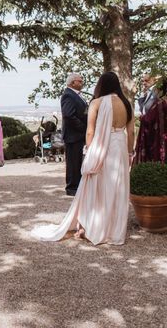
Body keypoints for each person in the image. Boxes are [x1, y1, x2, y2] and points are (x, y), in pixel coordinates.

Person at [32, 72, 135, 245]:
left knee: (98, 184)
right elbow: (131, 131)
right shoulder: (127, 104)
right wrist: (130, 151)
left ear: (101, 85)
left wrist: (89, 150)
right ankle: (114, 230)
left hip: (102, 146)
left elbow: (90, 131)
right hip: (120, 146)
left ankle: (94, 226)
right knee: (117, 185)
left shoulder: (97, 102)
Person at [61, 73, 89, 196]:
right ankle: (72, 188)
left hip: (78, 135)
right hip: (73, 135)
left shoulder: (77, 95)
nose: (82, 83)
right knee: (73, 162)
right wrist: (83, 128)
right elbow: (68, 115)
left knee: (78, 161)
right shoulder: (68, 95)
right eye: (80, 81)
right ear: (73, 83)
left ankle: (78, 185)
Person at [135, 77, 167, 164]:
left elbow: (149, 118)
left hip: (156, 135)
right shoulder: (159, 101)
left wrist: (142, 118)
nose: (144, 83)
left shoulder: (159, 103)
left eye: (147, 80)